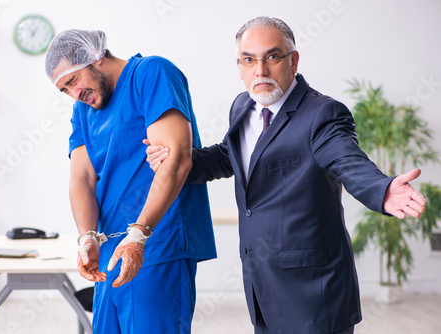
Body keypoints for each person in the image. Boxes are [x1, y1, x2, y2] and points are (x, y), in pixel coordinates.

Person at [145, 17, 426, 334]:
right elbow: (229, 156)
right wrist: (182, 161)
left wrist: (382, 189)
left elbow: (347, 159)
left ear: (293, 61)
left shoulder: (322, 114)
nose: (260, 70)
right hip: (262, 287)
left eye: (272, 57)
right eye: (249, 60)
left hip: (314, 294)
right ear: (239, 66)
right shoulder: (243, 106)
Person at [44, 29, 216, 333]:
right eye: (65, 91)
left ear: (95, 56)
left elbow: (176, 160)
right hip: (111, 253)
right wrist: (87, 237)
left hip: (156, 244)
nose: (74, 94)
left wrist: (139, 234)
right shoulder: (83, 110)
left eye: (72, 82)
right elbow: (81, 178)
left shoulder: (150, 74)